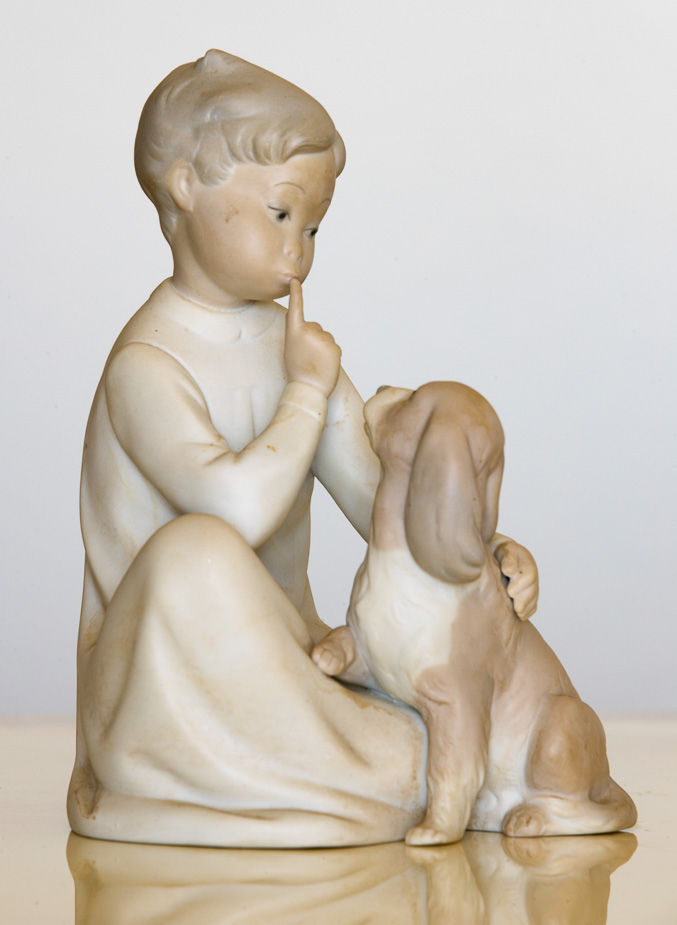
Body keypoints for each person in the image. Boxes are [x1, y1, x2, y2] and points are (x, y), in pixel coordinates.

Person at [68, 50, 538, 848]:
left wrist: (480, 554)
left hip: (285, 665)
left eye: (313, 226)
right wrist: (306, 391)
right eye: (280, 214)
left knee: (405, 709)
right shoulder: (146, 366)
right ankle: (358, 766)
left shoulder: (297, 352)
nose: (300, 249)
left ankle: (356, 756)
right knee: (194, 553)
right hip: (158, 691)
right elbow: (239, 511)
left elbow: (379, 503)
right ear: (185, 187)